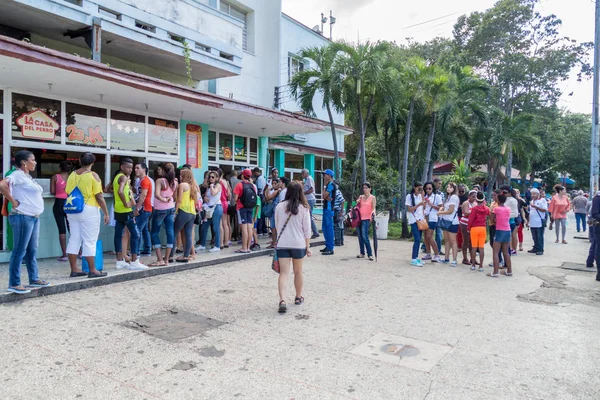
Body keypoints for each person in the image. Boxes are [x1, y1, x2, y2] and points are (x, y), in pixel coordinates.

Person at [0, 151, 50, 294]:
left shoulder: (26, 177)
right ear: (23, 162)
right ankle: (14, 283)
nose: (35, 162)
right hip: (22, 217)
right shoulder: (16, 175)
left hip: (33, 217)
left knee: (31, 249)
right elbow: (2, 186)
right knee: (19, 250)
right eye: (33, 160)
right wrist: (13, 201)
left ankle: (33, 279)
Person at [64, 152, 110, 278]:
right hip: (88, 209)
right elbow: (99, 196)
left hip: (72, 210)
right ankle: (93, 270)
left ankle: (74, 269)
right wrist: (106, 213)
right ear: (93, 162)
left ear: (80, 161)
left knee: (74, 238)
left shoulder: (72, 175)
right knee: (90, 240)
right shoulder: (93, 175)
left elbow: (67, 191)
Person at [275, 181, 312, 313]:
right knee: (298, 271)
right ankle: (298, 296)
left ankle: (282, 300)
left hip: (283, 243)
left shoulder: (279, 206)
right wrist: (307, 246)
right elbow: (307, 231)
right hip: (298, 244)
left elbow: (277, 225)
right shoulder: (304, 208)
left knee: (284, 273)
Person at [113, 158, 148, 271]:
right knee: (136, 234)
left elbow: (110, 188)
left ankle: (119, 261)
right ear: (121, 167)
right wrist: (126, 202)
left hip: (118, 210)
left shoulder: (117, 177)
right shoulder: (123, 177)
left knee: (118, 234)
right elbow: (120, 191)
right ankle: (134, 261)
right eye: (128, 167)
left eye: (131, 168)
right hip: (125, 211)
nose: (130, 170)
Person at [149, 162, 177, 267]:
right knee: (170, 232)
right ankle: (166, 259)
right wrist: (168, 199)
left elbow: (156, 195)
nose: (158, 171)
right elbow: (173, 195)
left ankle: (159, 259)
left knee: (154, 233)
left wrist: (164, 199)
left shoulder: (160, 181)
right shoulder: (174, 181)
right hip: (171, 208)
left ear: (164, 170)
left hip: (160, 209)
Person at [174, 169, 199, 262]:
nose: (179, 176)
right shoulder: (193, 187)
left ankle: (170, 255)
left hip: (183, 211)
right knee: (188, 234)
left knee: (174, 232)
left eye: (181, 174)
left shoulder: (182, 185)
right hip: (192, 213)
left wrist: (174, 212)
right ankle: (186, 255)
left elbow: (179, 200)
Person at [50, 160, 72, 261]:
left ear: (60, 168)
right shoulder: (72, 177)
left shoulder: (55, 177)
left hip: (59, 203)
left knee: (62, 230)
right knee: (72, 229)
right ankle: (79, 252)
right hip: (69, 203)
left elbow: (52, 191)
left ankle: (64, 254)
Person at [233, 169, 257, 253]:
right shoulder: (252, 185)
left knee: (244, 228)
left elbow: (235, 198)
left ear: (243, 175)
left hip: (241, 208)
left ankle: (244, 247)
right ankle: (248, 247)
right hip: (250, 208)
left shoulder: (239, 185)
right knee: (249, 227)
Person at [489, 193, 513, 277]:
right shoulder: (508, 209)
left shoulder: (496, 209)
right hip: (507, 230)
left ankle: (495, 272)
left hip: (499, 230)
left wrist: (496, 221)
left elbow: (491, 218)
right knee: (506, 252)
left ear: (498, 200)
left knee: (495, 252)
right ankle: (509, 270)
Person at [198, 171, 223, 253]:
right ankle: (202, 244)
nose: (211, 178)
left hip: (216, 208)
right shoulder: (208, 186)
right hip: (208, 208)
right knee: (204, 226)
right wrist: (204, 197)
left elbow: (214, 193)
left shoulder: (218, 185)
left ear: (217, 178)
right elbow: (206, 195)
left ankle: (217, 245)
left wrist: (212, 185)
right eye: (210, 177)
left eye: (213, 177)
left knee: (216, 227)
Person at [438, 182, 460, 266]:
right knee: (447, 240)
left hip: (452, 222)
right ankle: (446, 258)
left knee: (453, 240)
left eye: (450, 187)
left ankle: (454, 260)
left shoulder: (454, 197)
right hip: (446, 220)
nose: (448, 188)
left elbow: (451, 210)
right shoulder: (448, 197)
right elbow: (446, 207)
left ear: (454, 189)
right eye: (447, 187)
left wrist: (440, 212)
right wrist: (442, 209)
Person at [467, 192, 489, 272]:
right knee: (481, 248)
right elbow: (489, 215)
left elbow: (471, 220)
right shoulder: (486, 208)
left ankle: (473, 265)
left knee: (474, 247)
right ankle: (481, 265)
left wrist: (468, 228)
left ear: (476, 199)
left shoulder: (474, 209)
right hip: (483, 228)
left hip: (474, 228)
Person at [134, 163, 153, 257]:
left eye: (138, 168)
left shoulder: (145, 181)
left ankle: (136, 251)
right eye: (135, 168)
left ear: (144, 169)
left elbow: (143, 195)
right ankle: (147, 249)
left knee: (137, 229)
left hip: (144, 208)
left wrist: (137, 207)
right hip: (146, 208)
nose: (135, 170)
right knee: (144, 229)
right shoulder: (141, 180)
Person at [406, 182, 426, 266]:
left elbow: (423, 208)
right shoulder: (409, 196)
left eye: (421, 189)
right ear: (414, 188)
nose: (420, 190)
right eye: (419, 188)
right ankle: (413, 258)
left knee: (419, 239)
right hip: (413, 220)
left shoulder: (420, 196)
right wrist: (419, 204)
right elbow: (410, 209)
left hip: (420, 220)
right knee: (417, 239)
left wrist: (422, 198)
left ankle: (416, 257)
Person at [422, 181, 442, 262]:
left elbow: (440, 207)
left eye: (429, 188)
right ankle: (428, 253)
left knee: (429, 236)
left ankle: (437, 254)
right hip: (424, 217)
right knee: (425, 237)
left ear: (432, 188)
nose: (428, 190)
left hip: (433, 218)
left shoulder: (437, 197)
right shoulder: (424, 196)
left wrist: (430, 204)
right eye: (426, 188)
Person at [356, 182, 376, 261]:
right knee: (360, 237)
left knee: (365, 236)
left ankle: (370, 254)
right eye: (363, 188)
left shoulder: (372, 198)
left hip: (366, 219)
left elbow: (373, 207)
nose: (364, 189)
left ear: (370, 189)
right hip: (359, 218)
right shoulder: (361, 197)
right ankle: (362, 253)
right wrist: (357, 201)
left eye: (366, 188)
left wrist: (373, 213)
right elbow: (357, 205)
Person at [527, 188, 548, 256]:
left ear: (538, 194)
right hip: (532, 222)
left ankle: (540, 249)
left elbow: (545, 210)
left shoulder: (542, 201)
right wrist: (528, 221)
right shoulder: (531, 201)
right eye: (532, 194)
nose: (533, 195)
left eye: (534, 194)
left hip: (539, 221)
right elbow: (530, 212)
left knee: (539, 236)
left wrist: (536, 207)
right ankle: (535, 247)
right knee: (534, 236)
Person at [500, 185, 519, 255]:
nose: (503, 193)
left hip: (510, 222)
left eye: (504, 192)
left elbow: (515, 213)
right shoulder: (504, 199)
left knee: (508, 239)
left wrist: (504, 216)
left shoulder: (512, 200)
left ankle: (510, 251)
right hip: (502, 223)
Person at [459, 190, 477, 265]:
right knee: (466, 241)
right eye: (473, 197)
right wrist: (475, 211)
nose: (474, 198)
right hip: (465, 223)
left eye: (475, 197)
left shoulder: (475, 203)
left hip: (472, 224)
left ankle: (473, 258)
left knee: (472, 242)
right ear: (469, 196)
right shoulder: (466, 203)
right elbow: (466, 213)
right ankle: (465, 258)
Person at [321, 169, 336, 255]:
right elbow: (325, 196)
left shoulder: (331, 185)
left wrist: (325, 197)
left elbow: (324, 195)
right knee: (324, 228)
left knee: (329, 228)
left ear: (329, 176)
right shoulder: (328, 185)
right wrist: (326, 197)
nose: (324, 176)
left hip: (329, 209)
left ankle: (330, 248)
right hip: (326, 208)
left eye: (325, 174)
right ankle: (327, 245)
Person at [302, 169, 320, 239]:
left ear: (305, 173)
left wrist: (303, 193)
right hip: (308, 199)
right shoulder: (307, 180)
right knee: (308, 216)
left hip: (310, 199)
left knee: (309, 216)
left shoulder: (309, 179)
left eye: (302, 174)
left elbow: (311, 189)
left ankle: (315, 232)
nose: (302, 175)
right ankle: (314, 232)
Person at [218, 169, 232, 249]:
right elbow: (229, 194)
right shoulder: (226, 182)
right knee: (226, 223)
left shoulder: (218, 182)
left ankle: (221, 243)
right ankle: (226, 241)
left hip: (220, 202)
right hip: (226, 202)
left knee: (220, 224)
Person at [253, 167, 267, 235]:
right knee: (262, 214)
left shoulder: (259, 179)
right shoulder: (263, 178)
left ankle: (260, 229)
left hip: (260, 196)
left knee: (260, 213)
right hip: (262, 196)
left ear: (256, 172)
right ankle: (264, 229)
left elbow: (259, 189)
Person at [433, 178, 444, 253]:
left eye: (440, 184)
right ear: (435, 183)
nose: (440, 185)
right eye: (439, 183)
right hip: (431, 216)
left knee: (439, 234)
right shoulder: (429, 192)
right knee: (429, 233)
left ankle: (438, 249)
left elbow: (442, 205)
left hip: (439, 216)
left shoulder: (441, 194)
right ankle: (424, 246)